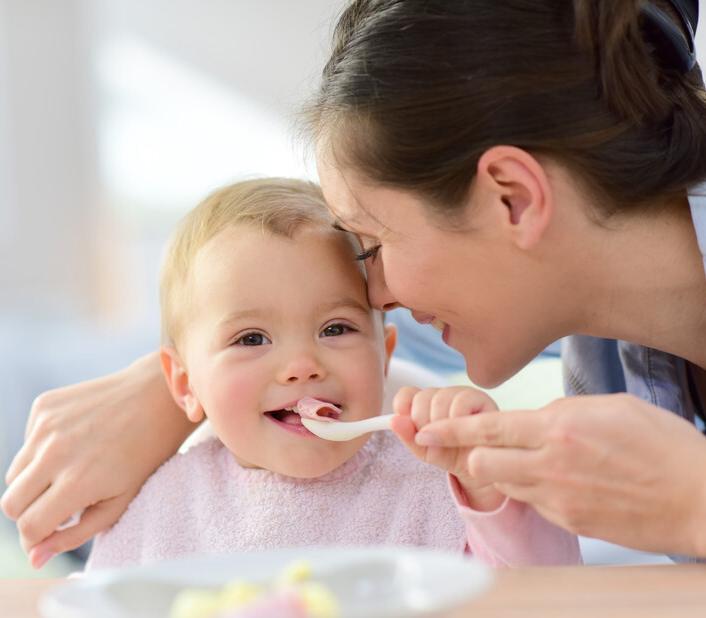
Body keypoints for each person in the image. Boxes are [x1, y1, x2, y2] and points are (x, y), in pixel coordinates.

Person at [0, 0, 706, 568]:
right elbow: (363, 359)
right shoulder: (606, 349)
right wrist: (181, 386)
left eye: (370, 244)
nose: (377, 291)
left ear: (512, 198)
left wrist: (701, 503)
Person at [80, 177, 579, 571]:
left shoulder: (435, 481)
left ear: (383, 358)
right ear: (186, 384)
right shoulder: (164, 505)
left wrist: (488, 484)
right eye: (251, 338)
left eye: (335, 328)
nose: (301, 367)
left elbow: (544, 597)